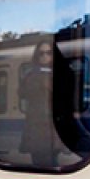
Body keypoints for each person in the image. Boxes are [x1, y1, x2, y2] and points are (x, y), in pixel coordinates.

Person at [18, 39, 63, 167]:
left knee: (54, 164)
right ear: (37, 56)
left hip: (55, 128)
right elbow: (22, 94)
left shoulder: (60, 74)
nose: (45, 56)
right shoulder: (30, 76)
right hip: (37, 128)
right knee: (39, 164)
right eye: (41, 53)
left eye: (48, 53)